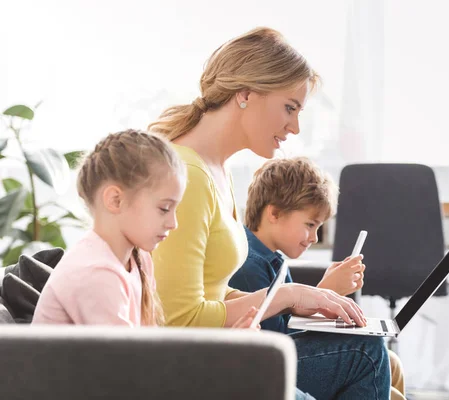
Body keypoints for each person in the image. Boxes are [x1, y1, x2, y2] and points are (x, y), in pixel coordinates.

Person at [149, 27, 390, 399]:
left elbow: (209, 293)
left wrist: (300, 295)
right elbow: (179, 321)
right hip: (196, 368)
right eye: (290, 108)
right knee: (366, 354)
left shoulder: (215, 170)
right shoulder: (189, 177)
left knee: (366, 349)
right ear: (245, 94)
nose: (294, 127)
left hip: (222, 352)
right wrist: (285, 295)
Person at [32, 129, 259, 329]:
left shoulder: (138, 260)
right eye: (164, 208)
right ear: (115, 200)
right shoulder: (97, 275)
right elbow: (132, 371)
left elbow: (147, 353)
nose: (174, 223)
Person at [229, 157, 407, 400]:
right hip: (268, 365)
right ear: (274, 213)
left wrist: (326, 295)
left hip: (281, 356)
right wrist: (326, 291)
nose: (314, 237)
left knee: (391, 364)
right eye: (310, 224)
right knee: (371, 355)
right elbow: (277, 342)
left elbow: (288, 321)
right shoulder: (250, 266)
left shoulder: (272, 259)